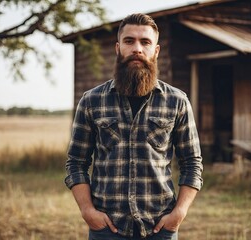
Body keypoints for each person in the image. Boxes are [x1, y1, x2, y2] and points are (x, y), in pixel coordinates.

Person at [65, 13, 203, 240]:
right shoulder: (91, 101)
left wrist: (179, 212)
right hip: (107, 229)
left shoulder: (177, 101)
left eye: (145, 42)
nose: (137, 49)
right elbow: (76, 162)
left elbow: (192, 162)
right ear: (118, 48)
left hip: (160, 228)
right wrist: (88, 211)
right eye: (129, 41)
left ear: (156, 51)